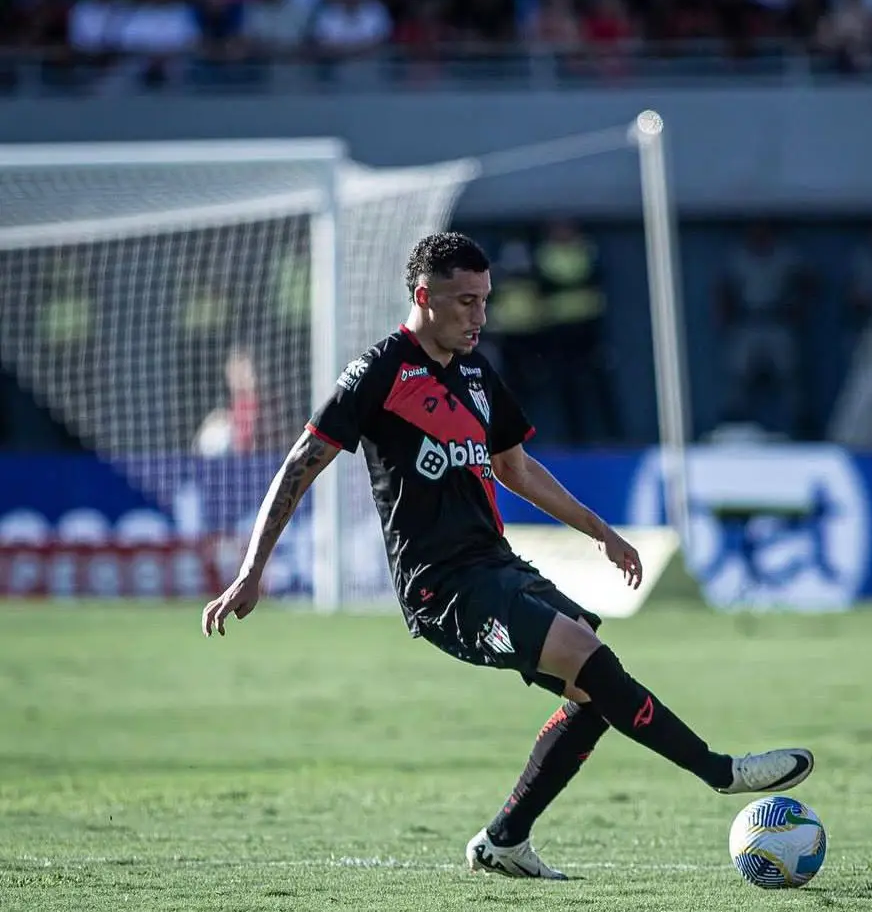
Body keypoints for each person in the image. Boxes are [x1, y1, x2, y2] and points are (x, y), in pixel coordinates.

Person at [200, 232, 814, 880]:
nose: (479, 316)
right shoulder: (380, 371)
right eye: (464, 302)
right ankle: (722, 771)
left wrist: (598, 528)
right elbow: (303, 461)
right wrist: (250, 569)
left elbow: (514, 467)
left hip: (497, 567)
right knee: (590, 660)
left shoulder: (475, 372)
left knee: (592, 679)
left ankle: (505, 839)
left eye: (485, 301)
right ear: (423, 296)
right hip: (441, 587)